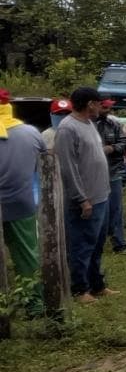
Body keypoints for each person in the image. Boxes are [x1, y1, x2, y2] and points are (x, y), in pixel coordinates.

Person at [56, 87, 113, 303]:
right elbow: (67, 168)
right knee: (81, 245)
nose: (101, 106)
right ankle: (80, 290)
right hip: (85, 200)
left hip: (101, 195)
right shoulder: (67, 129)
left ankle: (97, 285)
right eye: (99, 103)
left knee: (97, 243)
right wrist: (81, 198)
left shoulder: (89, 124)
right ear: (90, 104)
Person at [0, 90, 47, 307]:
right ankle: (34, 304)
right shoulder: (30, 133)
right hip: (21, 203)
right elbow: (45, 163)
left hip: (18, 202)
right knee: (27, 256)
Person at [94, 99, 126, 253]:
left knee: (116, 209)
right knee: (97, 211)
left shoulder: (113, 124)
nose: (108, 110)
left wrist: (112, 148)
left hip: (113, 173)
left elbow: (125, 142)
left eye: (109, 107)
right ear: (94, 106)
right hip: (93, 176)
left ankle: (119, 243)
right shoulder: (86, 125)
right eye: (104, 107)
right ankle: (96, 243)